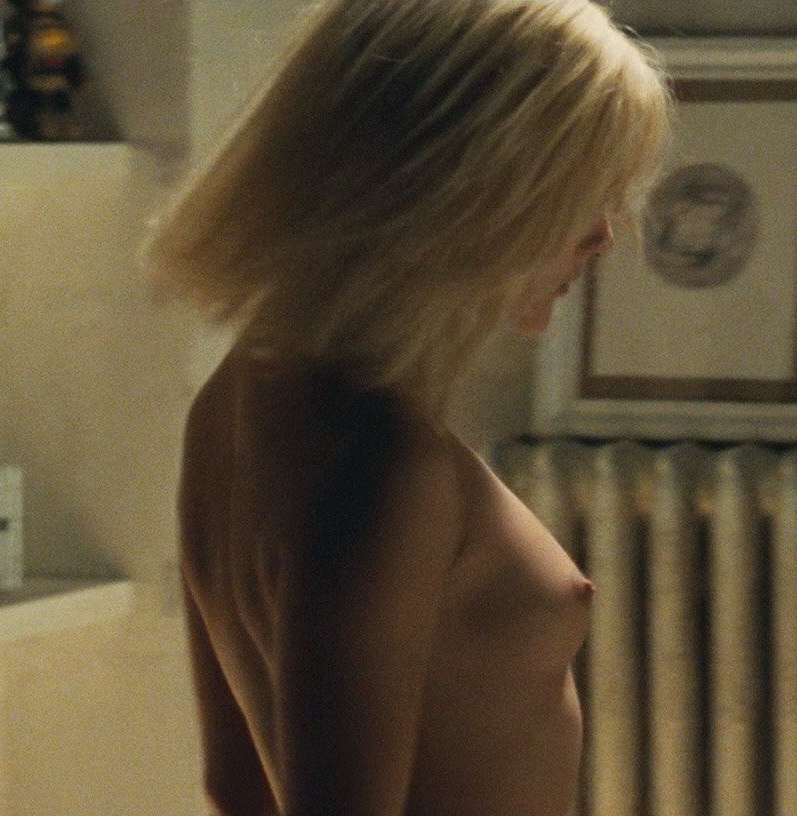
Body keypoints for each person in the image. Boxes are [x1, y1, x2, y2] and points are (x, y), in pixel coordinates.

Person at [138, 1, 672, 813]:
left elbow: (237, 786)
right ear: (469, 184)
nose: (603, 234)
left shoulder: (232, 400)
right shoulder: (385, 463)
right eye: (578, 191)